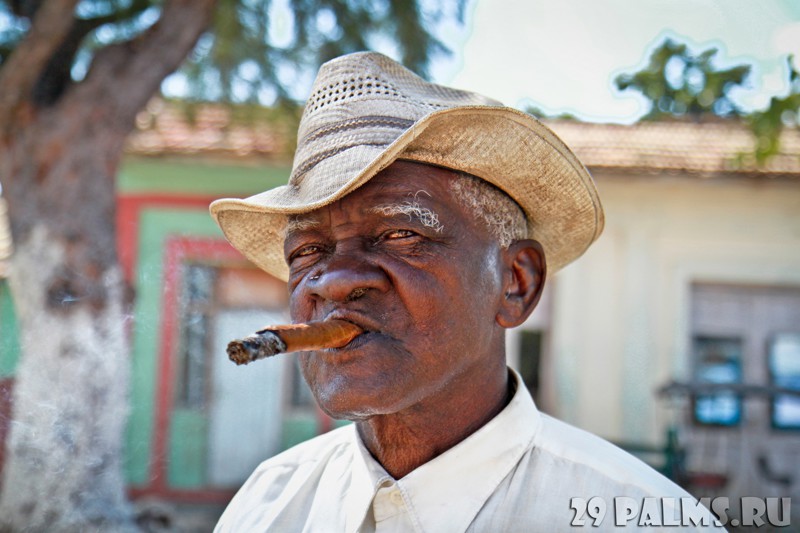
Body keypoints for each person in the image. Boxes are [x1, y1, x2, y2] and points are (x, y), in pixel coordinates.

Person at [210, 52, 721, 532]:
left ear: (515, 283)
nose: (335, 280)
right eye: (307, 253)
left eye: (400, 234)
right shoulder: (267, 507)